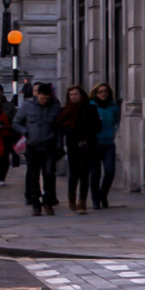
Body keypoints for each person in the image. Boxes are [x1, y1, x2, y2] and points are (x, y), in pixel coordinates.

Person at [13, 81, 62, 215]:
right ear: (37, 95)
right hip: (33, 146)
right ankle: (35, 202)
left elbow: (58, 129)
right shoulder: (27, 106)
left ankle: (47, 201)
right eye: (42, 98)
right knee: (33, 175)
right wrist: (26, 132)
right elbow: (16, 123)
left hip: (49, 146)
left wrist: (59, 146)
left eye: (47, 98)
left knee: (49, 174)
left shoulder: (55, 108)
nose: (44, 101)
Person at [56, 85, 95, 214]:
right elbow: (60, 128)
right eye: (71, 94)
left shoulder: (90, 109)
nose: (74, 97)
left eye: (76, 94)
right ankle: (71, 195)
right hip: (72, 145)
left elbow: (97, 126)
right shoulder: (65, 110)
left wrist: (87, 135)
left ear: (81, 95)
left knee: (85, 174)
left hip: (87, 145)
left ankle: (82, 201)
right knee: (73, 174)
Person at [85, 84, 120, 209]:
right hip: (95, 144)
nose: (103, 93)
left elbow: (117, 120)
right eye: (100, 91)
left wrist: (114, 131)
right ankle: (95, 199)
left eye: (105, 91)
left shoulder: (113, 106)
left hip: (109, 143)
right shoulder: (91, 106)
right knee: (95, 174)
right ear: (96, 93)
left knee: (110, 171)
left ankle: (103, 195)